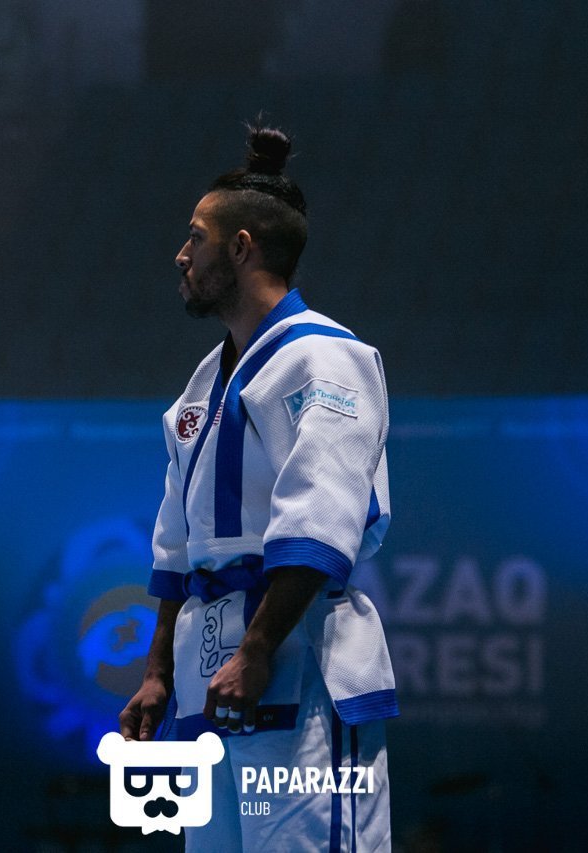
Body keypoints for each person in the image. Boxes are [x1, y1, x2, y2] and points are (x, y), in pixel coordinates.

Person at [119, 119, 398, 851]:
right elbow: (177, 547)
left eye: (196, 239)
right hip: (208, 673)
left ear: (241, 248)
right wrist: (157, 670)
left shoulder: (325, 359)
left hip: (296, 664)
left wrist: (259, 646)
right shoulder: (200, 386)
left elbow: (323, 515)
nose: (181, 255)